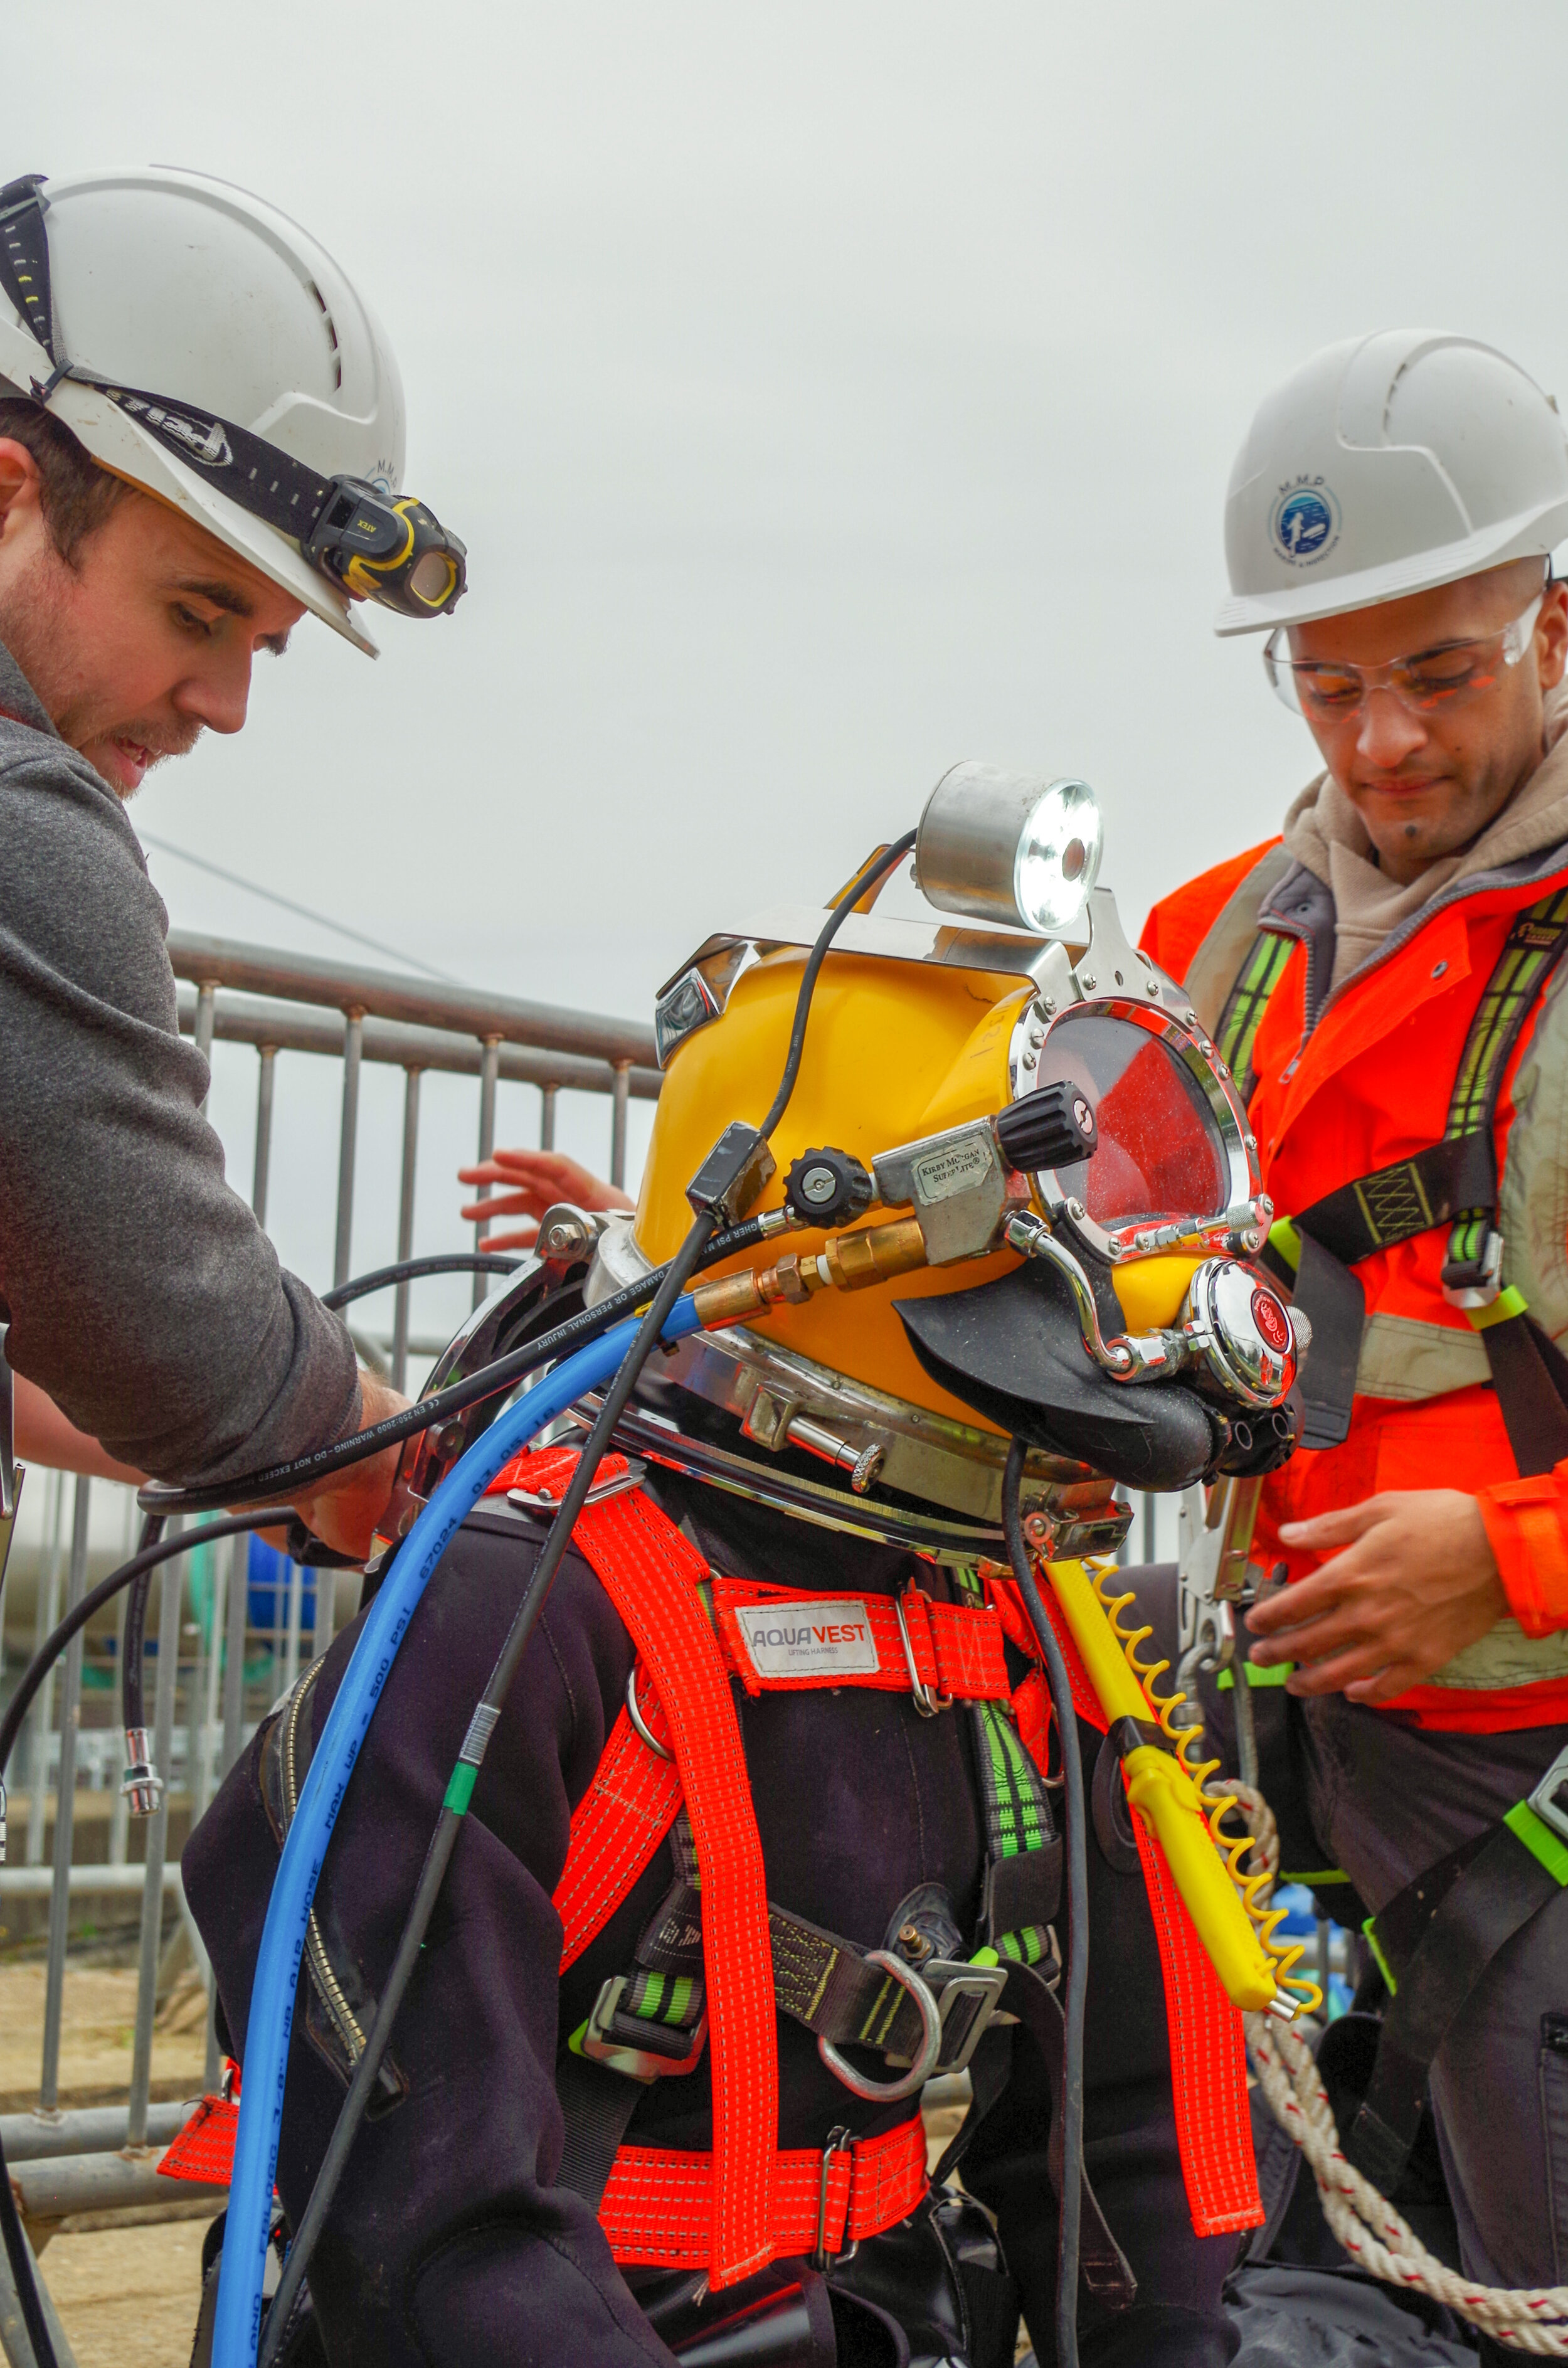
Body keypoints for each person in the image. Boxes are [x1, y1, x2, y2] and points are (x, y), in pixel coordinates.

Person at [188, 857, 1301, 2368]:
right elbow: (437, 2229)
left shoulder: (1050, 1636)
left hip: (873, 2306)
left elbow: (1142, 2169)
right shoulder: (518, 1617)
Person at [1140, 329, 1568, 2338]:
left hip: (1528, 1788)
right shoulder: (1219, 941)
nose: (1378, 738)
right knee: (1285, 2278)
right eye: (1326, 683)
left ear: (1550, 625)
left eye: (1436, 672)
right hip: (1283, 1761)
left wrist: (1504, 1554)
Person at [0, 166, 465, 1553]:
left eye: (259, 642)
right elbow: (155, 1318)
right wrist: (357, 1438)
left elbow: (65, 1297)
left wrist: (305, 1452)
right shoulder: (24, 828)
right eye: (195, 610)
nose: (224, 704)